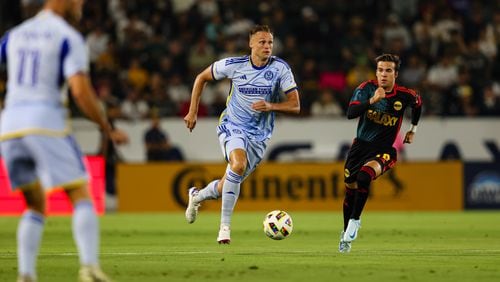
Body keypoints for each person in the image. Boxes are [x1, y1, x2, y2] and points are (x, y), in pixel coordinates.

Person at [0, 0, 128, 281]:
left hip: (9, 128)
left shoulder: (14, 35)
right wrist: (106, 127)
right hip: (45, 123)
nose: (82, 4)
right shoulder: (68, 37)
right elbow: (80, 92)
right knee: (80, 194)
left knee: (34, 204)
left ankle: (26, 274)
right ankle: (90, 267)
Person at [183, 25, 300, 244]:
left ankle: (196, 196)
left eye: (270, 43)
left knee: (227, 182)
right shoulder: (233, 65)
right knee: (237, 165)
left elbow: (295, 106)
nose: (267, 46)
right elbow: (201, 78)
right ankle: (224, 228)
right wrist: (192, 111)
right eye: (262, 42)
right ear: (251, 44)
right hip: (232, 125)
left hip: (260, 136)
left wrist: (270, 105)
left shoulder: (280, 69)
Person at [339, 54, 422, 253]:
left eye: (388, 71)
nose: (383, 75)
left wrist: (413, 129)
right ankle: (345, 234)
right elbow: (350, 113)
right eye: (380, 70)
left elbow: (417, 104)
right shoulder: (365, 88)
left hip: (384, 150)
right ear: (376, 72)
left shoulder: (404, 95)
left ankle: (355, 221)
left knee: (364, 177)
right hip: (359, 147)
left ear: (396, 74)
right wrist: (372, 100)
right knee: (350, 186)